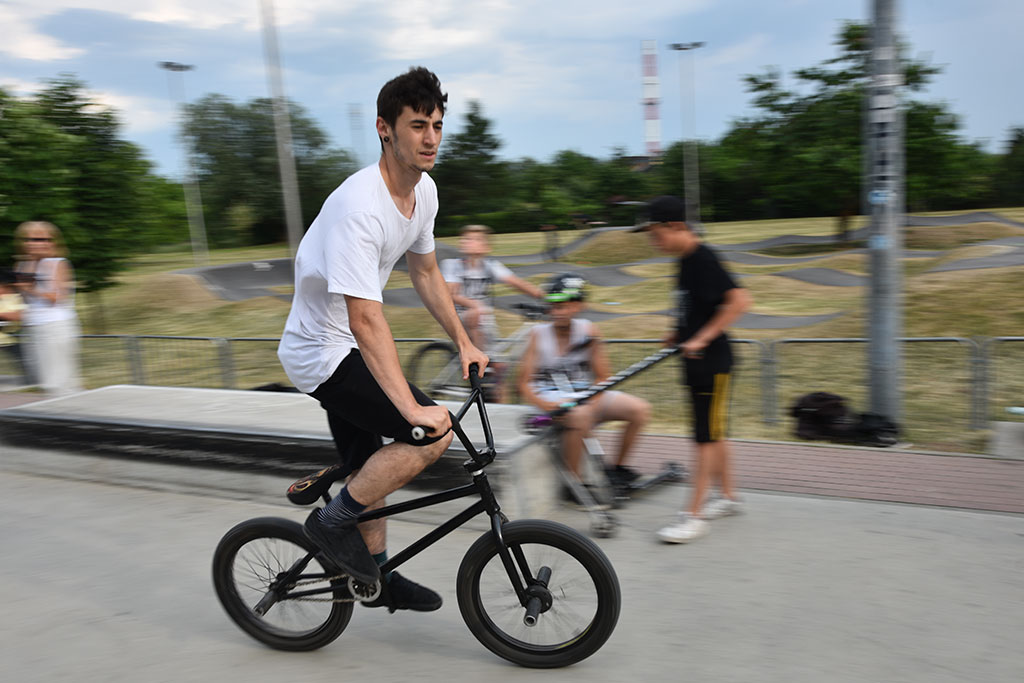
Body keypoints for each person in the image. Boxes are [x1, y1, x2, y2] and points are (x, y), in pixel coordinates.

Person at [277, 67, 487, 612]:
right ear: (384, 129)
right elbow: (366, 319)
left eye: (438, 124)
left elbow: (426, 274)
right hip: (320, 352)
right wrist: (413, 411)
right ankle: (329, 524)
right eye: (418, 125)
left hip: (346, 345)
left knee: (375, 468)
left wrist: (463, 341)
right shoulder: (359, 207)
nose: (431, 138)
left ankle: (373, 578)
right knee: (428, 437)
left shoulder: (424, 193)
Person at [631, 196, 752, 544]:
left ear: (676, 226)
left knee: (704, 439)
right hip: (699, 364)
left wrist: (701, 339)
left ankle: (692, 516)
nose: (652, 241)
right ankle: (728, 496)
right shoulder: (684, 261)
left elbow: (739, 301)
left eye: (655, 233)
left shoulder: (702, 258)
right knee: (715, 433)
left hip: (712, 365)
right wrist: (680, 333)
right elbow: (699, 307)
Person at [517, 273, 650, 498]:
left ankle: (616, 469)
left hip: (585, 395)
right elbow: (524, 383)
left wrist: (592, 403)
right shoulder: (538, 335)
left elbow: (602, 377)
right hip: (550, 398)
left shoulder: (590, 332)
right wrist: (549, 407)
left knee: (640, 409)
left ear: (578, 305)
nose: (556, 311)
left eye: (563, 305)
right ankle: (574, 484)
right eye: (553, 305)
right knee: (580, 417)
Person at [440, 224, 544, 400]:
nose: (469, 242)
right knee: (478, 314)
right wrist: (474, 305)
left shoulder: (489, 266)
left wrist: (542, 295)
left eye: (475, 239)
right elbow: (451, 294)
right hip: (459, 317)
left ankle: (497, 405)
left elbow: (515, 282)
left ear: (486, 246)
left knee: (500, 372)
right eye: (466, 239)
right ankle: (480, 361)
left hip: (483, 322)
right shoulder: (453, 266)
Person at [13, 221, 82, 396]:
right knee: (44, 379)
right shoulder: (21, 265)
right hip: (33, 326)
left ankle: (73, 416)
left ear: (53, 242)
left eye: (44, 239)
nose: (37, 244)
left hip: (56, 326)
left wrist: (28, 287)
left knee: (60, 380)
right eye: (31, 239)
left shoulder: (57, 263)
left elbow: (58, 297)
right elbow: (21, 300)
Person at [0, 268, 28, 385]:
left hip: (11, 337)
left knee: (25, 361)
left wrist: (3, 315)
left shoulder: (16, 297)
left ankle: (31, 380)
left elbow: (19, 315)